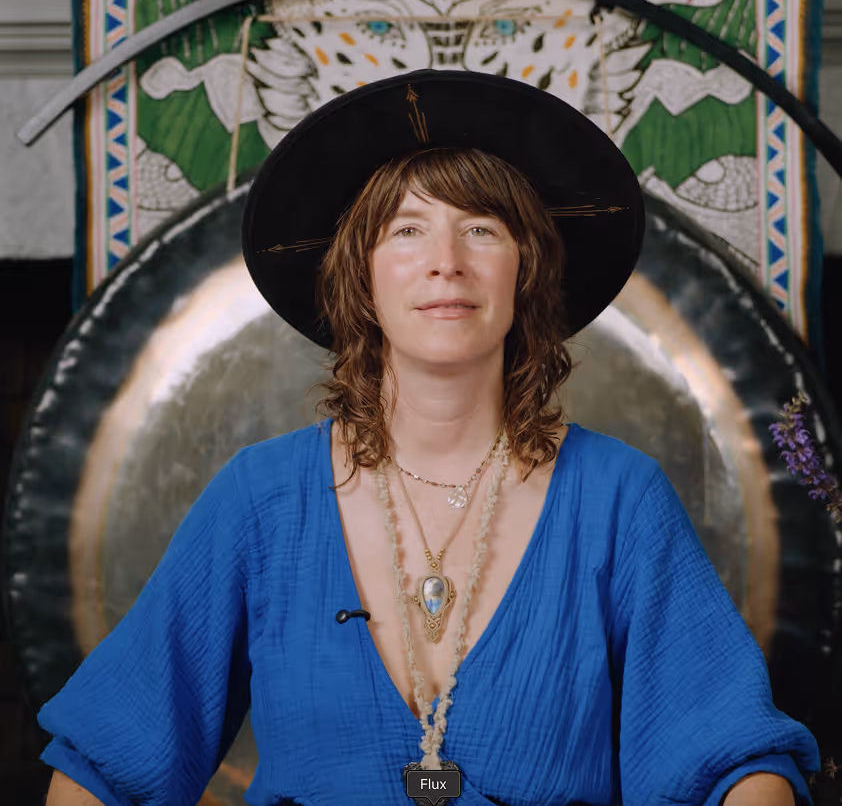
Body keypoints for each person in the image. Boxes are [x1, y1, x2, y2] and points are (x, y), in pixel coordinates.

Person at [38, 70, 819, 806]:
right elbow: (106, 760)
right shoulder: (261, 499)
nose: (446, 263)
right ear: (363, 279)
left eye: (481, 229)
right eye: (407, 229)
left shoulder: (619, 498)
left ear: (528, 270)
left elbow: (731, 755)